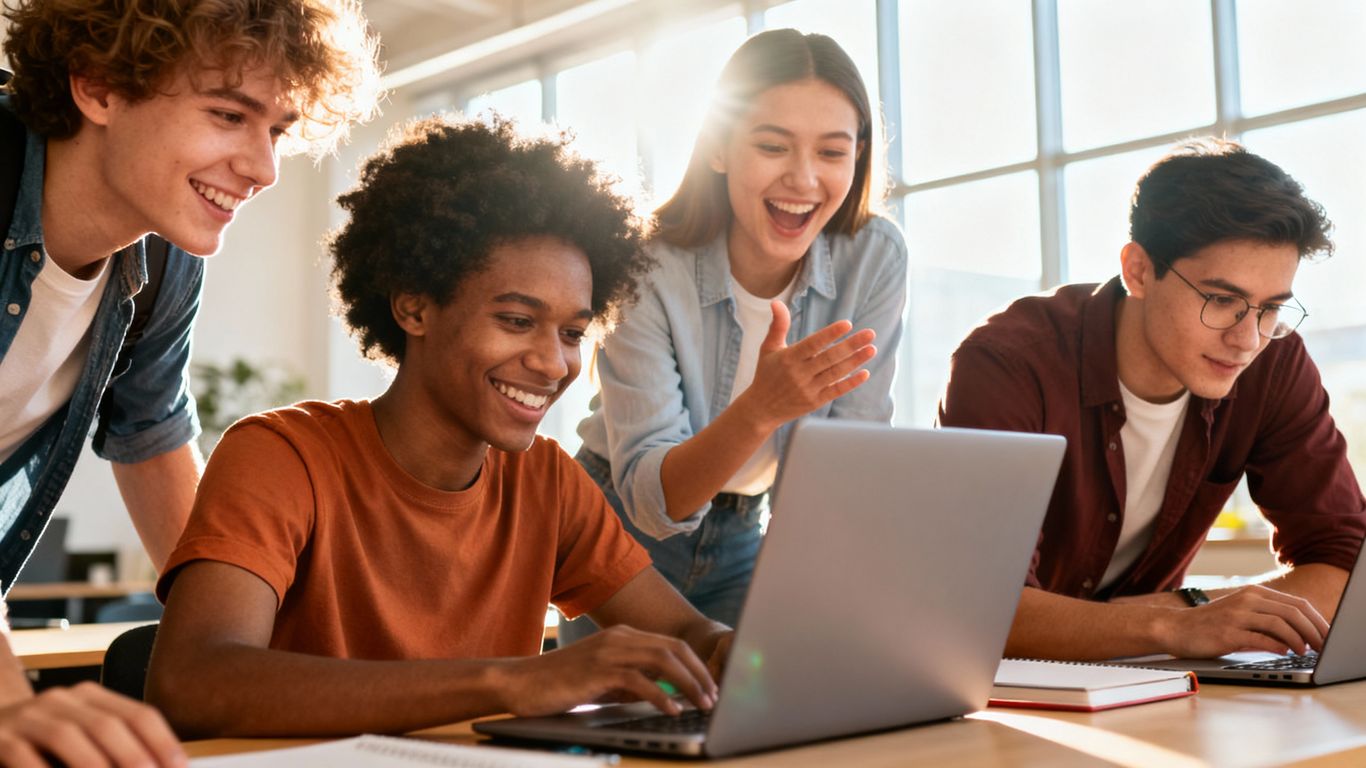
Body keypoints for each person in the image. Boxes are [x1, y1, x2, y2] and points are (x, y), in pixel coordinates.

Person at [145, 115, 732, 738]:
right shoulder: (282, 457)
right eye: (514, 320)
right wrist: (509, 682)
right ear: (414, 306)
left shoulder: (548, 483)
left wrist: (738, 652)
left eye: (571, 334)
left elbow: (692, 635)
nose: (551, 362)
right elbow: (191, 682)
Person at [0, 0, 379, 763]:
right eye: (228, 115)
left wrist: (269, 658)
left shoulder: (166, 259)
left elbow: (151, 436)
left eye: (277, 129)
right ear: (99, 85)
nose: (265, 168)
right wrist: (10, 706)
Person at [938, 138, 1366, 662]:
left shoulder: (1274, 365)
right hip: (994, 690)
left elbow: (1342, 566)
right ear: (1138, 270)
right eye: (1222, 300)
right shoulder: (1008, 364)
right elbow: (983, 611)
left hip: (1151, 681)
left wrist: (1185, 611)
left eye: (1270, 308)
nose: (1248, 338)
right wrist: (1173, 626)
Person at [562, 29, 907, 643]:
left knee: (765, 715)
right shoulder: (644, 262)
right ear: (720, 147)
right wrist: (760, 410)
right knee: (608, 728)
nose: (803, 179)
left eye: (832, 152)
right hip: (619, 526)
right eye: (773, 145)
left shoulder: (874, 256)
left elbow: (852, 449)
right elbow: (650, 498)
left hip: (748, 528)